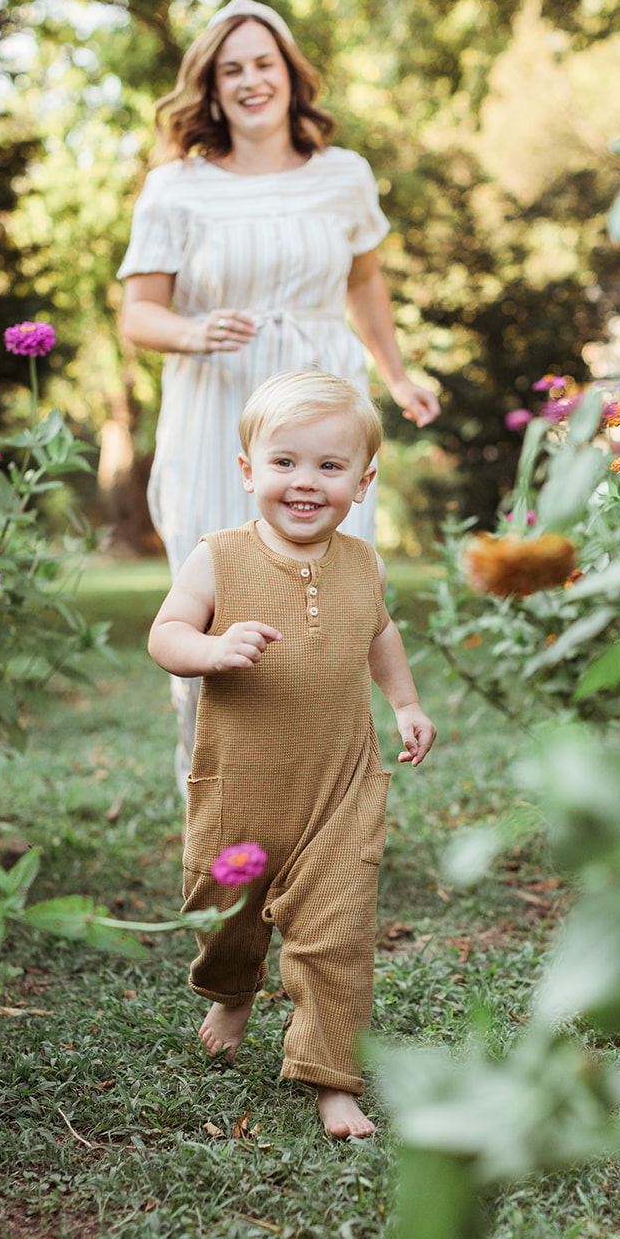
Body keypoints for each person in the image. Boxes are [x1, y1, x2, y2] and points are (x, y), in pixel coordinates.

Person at [118, 0, 439, 783]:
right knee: (212, 592)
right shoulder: (175, 187)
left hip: (324, 397)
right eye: (232, 69)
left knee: (329, 594)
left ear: (291, 76)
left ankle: (321, 796)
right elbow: (137, 314)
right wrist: (194, 331)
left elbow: (364, 287)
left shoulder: (344, 176)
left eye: (264, 64)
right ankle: (213, 791)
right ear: (211, 88)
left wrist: (396, 375)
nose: (250, 80)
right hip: (215, 404)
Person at [147, 371, 437, 1139]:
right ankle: (232, 988)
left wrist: (404, 703)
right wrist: (209, 648)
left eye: (328, 466)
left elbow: (380, 635)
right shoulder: (219, 558)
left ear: (363, 482)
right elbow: (164, 634)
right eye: (283, 463)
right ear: (248, 471)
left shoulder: (364, 563)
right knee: (225, 917)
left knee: (336, 933)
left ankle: (330, 1077)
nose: (304, 482)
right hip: (241, 788)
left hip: (340, 788)